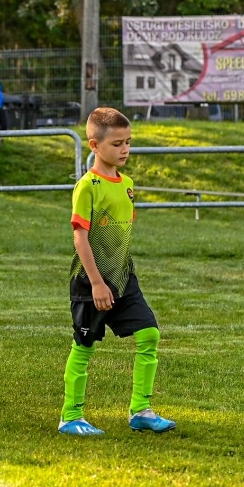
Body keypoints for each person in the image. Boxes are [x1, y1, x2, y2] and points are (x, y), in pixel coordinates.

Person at [59, 108, 173, 436]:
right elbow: (80, 237)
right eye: (117, 144)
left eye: (128, 143)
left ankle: (141, 410)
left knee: (149, 334)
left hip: (124, 279)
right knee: (84, 346)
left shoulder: (128, 185)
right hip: (90, 282)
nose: (125, 150)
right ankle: (70, 416)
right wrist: (97, 283)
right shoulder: (87, 186)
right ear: (95, 146)